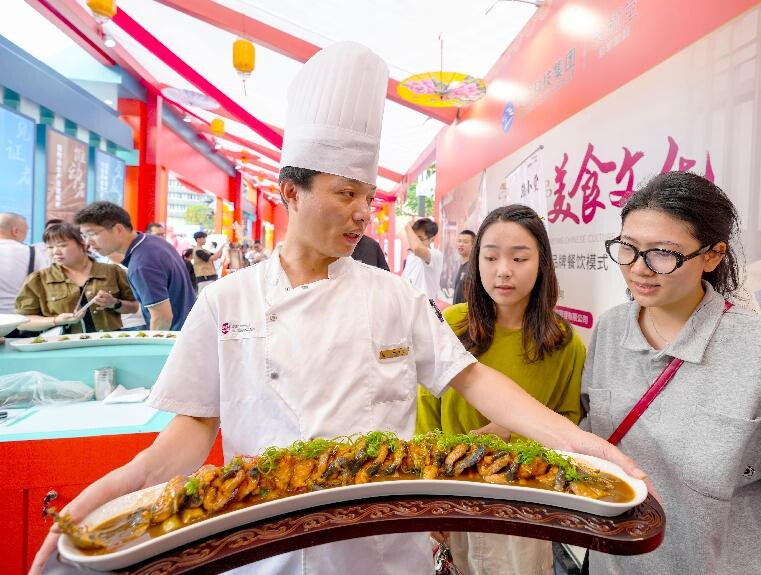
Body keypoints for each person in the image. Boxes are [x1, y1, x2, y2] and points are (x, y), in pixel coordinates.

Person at [29, 42, 643, 575]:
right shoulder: (226, 300)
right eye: (345, 194)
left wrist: (577, 443)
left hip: (383, 555)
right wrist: (99, 502)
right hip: (263, 554)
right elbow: (190, 433)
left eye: (367, 197)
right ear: (290, 192)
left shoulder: (393, 295)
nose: (361, 213)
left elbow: (473, 378)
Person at [580, 171, 761, 574]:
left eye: (663, 253)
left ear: (712, 255)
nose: (639, 269)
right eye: (628, 247)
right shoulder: (609, 329)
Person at [417, 205, 584, 575]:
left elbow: (570, 424)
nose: (503, 270)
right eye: (490, 257)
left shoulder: (564, 343)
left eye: (519, 258)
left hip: (522, 508)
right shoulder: (451, 324)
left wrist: (512, 434)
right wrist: (427, 495)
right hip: (451, 496)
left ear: (542, 263)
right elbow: (424, 412)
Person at [74, 202, 196, 332]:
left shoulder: (141, 265)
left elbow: (162, 317)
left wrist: (151, 349)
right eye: (84, 236)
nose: (87, 242)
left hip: (173, 338)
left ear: (118, 229)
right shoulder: (153, 242)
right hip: (188, 328)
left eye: (92, 234)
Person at [15, 222, 138, 334]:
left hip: (106, 343)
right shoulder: (38, 279)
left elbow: (133, 307)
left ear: (83, 244)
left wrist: (114, 303)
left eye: (62, 245)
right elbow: (23, 322)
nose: (55, 252)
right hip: (62, 346)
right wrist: (56, 320)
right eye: (50, 247)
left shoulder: (112, 271)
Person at [0, 212, 49, 314]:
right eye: (26, 230)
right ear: (15, 231)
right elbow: (46, 284)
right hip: (19, 318)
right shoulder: (33, 252)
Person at [403, 217, 444, 301]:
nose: (416, 241)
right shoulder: (411, 257)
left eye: (420, 238)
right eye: (415, 237)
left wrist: (407, 227)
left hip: (426, 308)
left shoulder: (436, 255)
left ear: (431, 239)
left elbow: (417, 248)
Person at [451, 229, 475, 304]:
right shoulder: (462, 265)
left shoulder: (473, 267)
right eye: (459, 241)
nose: (461, 244)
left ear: (473, 245)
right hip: (457, 312)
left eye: (465, 242)